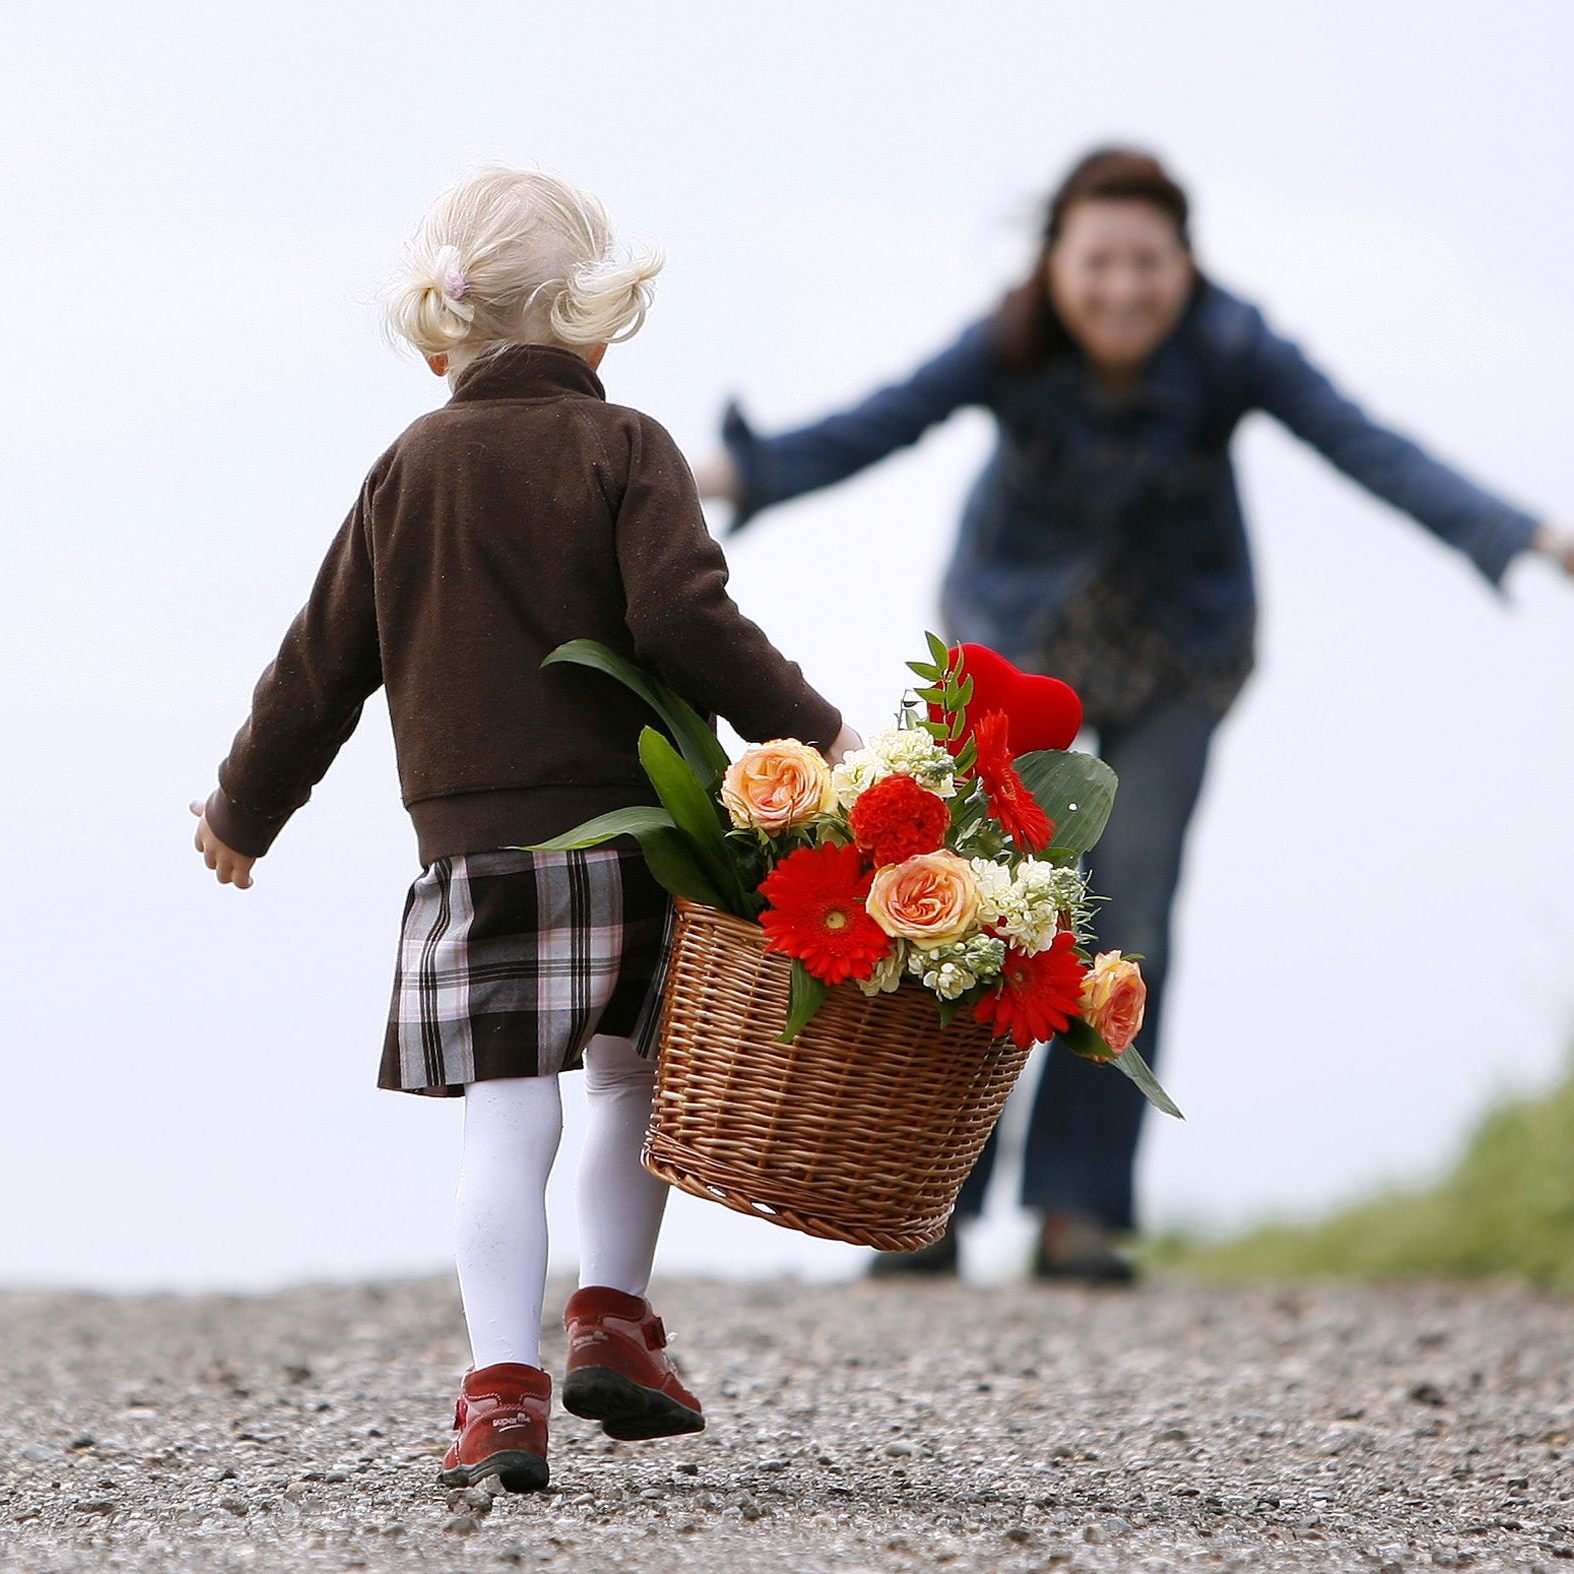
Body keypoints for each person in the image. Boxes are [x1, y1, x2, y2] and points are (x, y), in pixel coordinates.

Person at [692, 146, 1574, 1284]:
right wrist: (734, 474)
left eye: (1145, 264)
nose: (1120, 289)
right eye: (1095, 262)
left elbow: (1367, 446)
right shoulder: (1010, 340)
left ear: (1184, 264)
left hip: (1177, 654)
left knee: (1133, 900)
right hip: (1016, 645)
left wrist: (1524, 533)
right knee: (967, 897)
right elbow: (879, 421)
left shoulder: (1229, 346)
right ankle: (929, 1203)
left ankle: (1077, 1208)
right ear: (1055, 261)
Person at [190, 168, 858, 1490]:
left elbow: (320, 664)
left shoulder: (405, 468)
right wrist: (812, 729)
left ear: (441, 339)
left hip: (473, 852)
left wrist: (241, 807)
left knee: (505, 1116)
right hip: (630, 830)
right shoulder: (630, 448)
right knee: (628, 1084)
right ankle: (612, 1314)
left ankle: (501, 1390)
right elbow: (683, 620)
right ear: (599, 329)